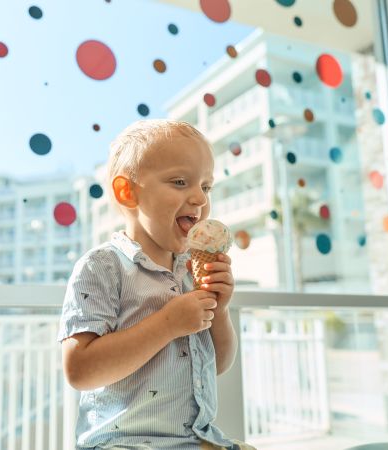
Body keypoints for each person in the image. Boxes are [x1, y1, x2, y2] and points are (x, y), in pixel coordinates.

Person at [58, 119, 256, 450]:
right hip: (124, 444)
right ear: (128, 192)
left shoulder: (191, 273)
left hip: (197, 439)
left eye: (206, 187)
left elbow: (218, 365)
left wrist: (218, 313)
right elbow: (80, 370)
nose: (198, 197)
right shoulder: (102, 267)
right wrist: (167, 324)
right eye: (180, 182)